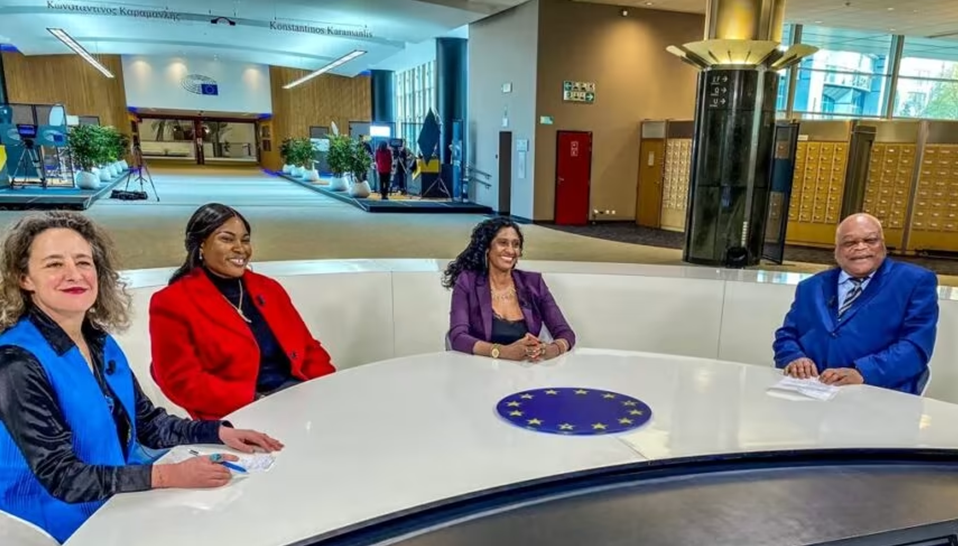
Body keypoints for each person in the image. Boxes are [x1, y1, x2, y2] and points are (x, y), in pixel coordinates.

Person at [0, 211, 283, 543]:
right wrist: (168, 476)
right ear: (24, 278)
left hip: (119, 495)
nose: (74, 274)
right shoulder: (15, 361)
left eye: (83, 262)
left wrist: (217, 431)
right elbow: (63, 477)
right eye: (54, 264)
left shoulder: (98, 340)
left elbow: (148, 423)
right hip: (62, 522)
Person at [149, 203, 335, 420]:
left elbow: (308, 348)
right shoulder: (171, 302)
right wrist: (258, 402)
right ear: (201, 245)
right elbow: (181, 381)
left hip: (297, 397)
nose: (240, 248)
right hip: (238, 413)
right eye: (227, 239)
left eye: (245, 240)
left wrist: (325, 388)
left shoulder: (269, 288)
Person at [773, 213, 939, 394]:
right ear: (836, 251)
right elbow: (787, 335)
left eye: (870, 240)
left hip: (880, 393)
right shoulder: (810, 287)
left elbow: (915, 346)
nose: (860, 247)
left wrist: (863, 372)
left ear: (883, 245)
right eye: (849, 243)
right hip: (812, 390)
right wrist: (793, 357)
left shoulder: (915, 281)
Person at [443, 217, 575, 362]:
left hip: (524, 374)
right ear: (487, 248)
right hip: (480, 371)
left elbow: (565, 333)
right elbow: (457, 336)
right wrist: (502, 351)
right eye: (503, 243)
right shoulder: (467, 282)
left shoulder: (533, 283)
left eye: (516, 244)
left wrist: (550, 350)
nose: (511, 250)